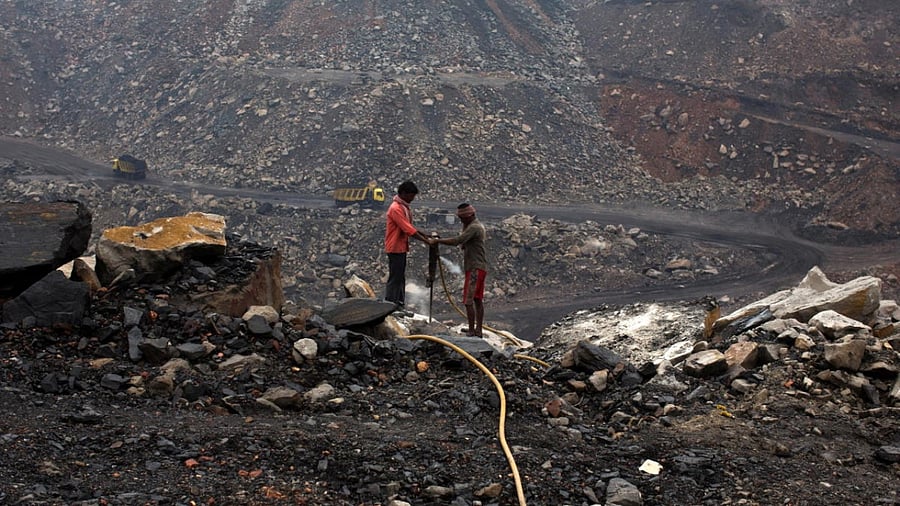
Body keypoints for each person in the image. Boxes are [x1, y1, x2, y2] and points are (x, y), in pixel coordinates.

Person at [429, 203, 488, 337]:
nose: (461, 221)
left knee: (469, 301)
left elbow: (457, 240)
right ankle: (477, 329)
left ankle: (473, 331)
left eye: (463, 218)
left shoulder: (474, 227)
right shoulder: (473, 225)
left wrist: (437, 241)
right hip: (478, 267)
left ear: (470, 216)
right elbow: (463, 240)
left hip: (475, 268)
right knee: (477, 300)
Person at [384, 180, 430, 307]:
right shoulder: (396, 209)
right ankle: (390, 303)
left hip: (400, 247)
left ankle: (398, 303)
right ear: (404, 193)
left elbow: (409, 226)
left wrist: (425, 234)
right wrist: (425, 241)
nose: (412, 199)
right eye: (411, 196)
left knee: (399, 276)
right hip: (395, 247)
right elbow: (407, 229)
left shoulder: (402, 207)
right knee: (395, 277)